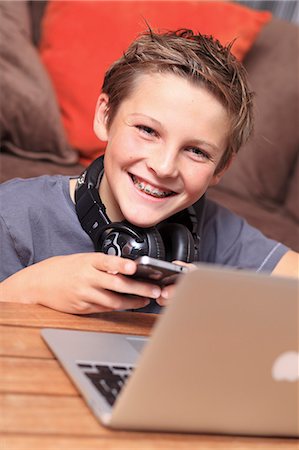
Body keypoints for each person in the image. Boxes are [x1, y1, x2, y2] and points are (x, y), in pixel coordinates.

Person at [0, 29, 298, 315]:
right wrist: (30, 288)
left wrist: (222, 301)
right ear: (105, 117)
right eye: (147, 130)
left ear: (221, 167)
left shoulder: (218, 231)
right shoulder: (14, 213)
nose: (164, 166)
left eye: (197, 151)